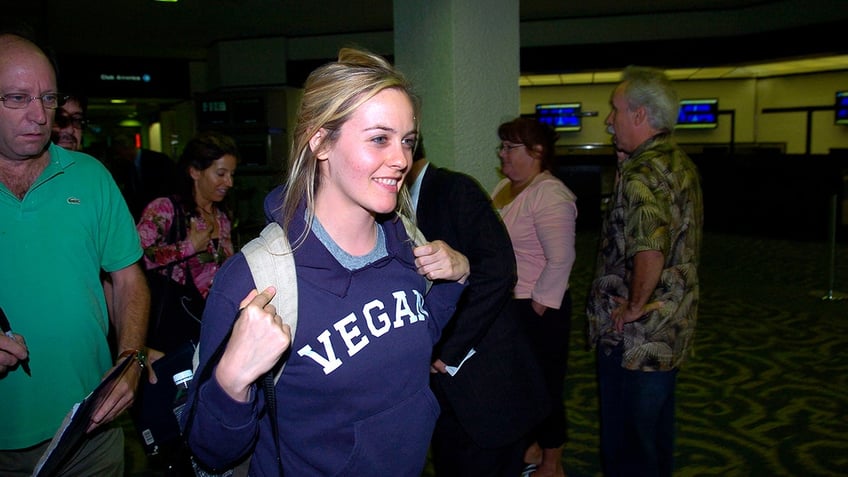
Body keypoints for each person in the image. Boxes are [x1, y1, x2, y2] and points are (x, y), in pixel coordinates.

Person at [182, 48, 470, 476]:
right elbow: (211, 451)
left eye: (407, 140)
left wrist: (454, 279)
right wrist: (231, 382)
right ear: (320, 141)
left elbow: (417, 338)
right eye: (379, 138)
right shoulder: (255, 278)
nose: (402, 159)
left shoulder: (405, 241)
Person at [0, 33, 150, 476]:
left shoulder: (91, 178)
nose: (39, 115)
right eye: (17, 98)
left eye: (48, 98)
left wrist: (131, 360)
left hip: (90, 430)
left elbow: (128, 279)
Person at [586, 65, 703, 477]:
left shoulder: (643, 172)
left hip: (635, 337)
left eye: (615, 109)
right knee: (654, 437)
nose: (608, 119)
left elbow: (650, 246)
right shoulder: (675, 161)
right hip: (670, 326)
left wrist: (634, 305)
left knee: (628, 445)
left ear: (639, 115)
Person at [407, 138, 549, 476]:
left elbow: (498, 271)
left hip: (485, 384)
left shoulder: (455, 189)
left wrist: (446, 351)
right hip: (443, 393)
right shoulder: (396, 205)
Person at [491, 117, 578, 477]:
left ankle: (552, 462)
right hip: (513, 304)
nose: (502, 153)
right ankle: (532, 445)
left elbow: (562, 258)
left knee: (544, 385)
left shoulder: (550, 193)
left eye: (510, 147)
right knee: (521, 384)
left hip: (540, 308)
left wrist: (538, 305)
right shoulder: (504, 187)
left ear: (537, 152)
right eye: (503, 146)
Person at [136, 130, 238, 353]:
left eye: (231, 174)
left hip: (214, 324)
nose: (228, 182)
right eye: (221, 174)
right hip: (174, 328)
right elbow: (136, 258)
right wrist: (188, 247)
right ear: (194, 172)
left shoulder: (222, 215)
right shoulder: (164, 209)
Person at [109, 133, 180, 221]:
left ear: (126, 149)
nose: (119, 157)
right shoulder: (126, 168)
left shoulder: (157, 160)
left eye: (119, 153)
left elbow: (170, 185)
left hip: (161, 213)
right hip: (140, 217)